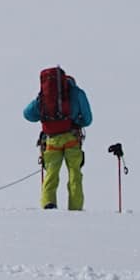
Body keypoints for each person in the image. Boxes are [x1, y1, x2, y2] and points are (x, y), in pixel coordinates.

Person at [23, 66, 92, 210]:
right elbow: (87, 119)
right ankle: (75, 207)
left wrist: (44, 113)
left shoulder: (45, 96)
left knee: (51, 175)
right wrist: (74, 121)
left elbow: (27, 114)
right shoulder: (77, 93)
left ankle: (49, 203)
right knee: (74, 174)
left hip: (52, 140)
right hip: (72, 138)